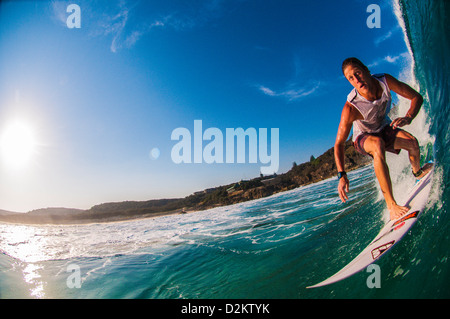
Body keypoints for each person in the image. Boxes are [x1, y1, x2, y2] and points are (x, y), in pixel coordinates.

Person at [334, 57, 432, 221]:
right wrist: (342, 174)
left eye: (358, 73)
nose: (356, 80)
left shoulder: (385, 82)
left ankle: (418, 172)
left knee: (412, 143)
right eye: (351, 78)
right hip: (363, 138)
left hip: (383, 128)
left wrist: (408, 117)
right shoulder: (351, 107)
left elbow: (416, 97)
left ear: (366, 69)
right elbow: (339, 143)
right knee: (377, 144)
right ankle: (391, 205)